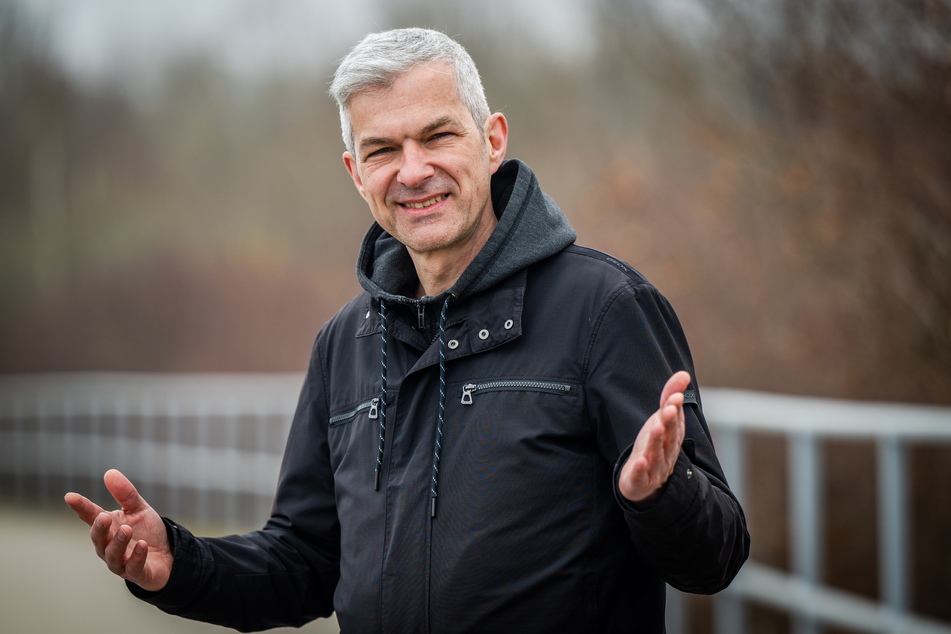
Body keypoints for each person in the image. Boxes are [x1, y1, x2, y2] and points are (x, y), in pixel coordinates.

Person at [65, 27, 749, 633]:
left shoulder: (605, 307)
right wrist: (179, 564)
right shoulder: (343, 344)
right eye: (383, 149)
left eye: (437, 134)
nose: (413, 170)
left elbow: (715, 556)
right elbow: (305, 560)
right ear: (354, 172)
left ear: (492, 139)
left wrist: (659, 494)